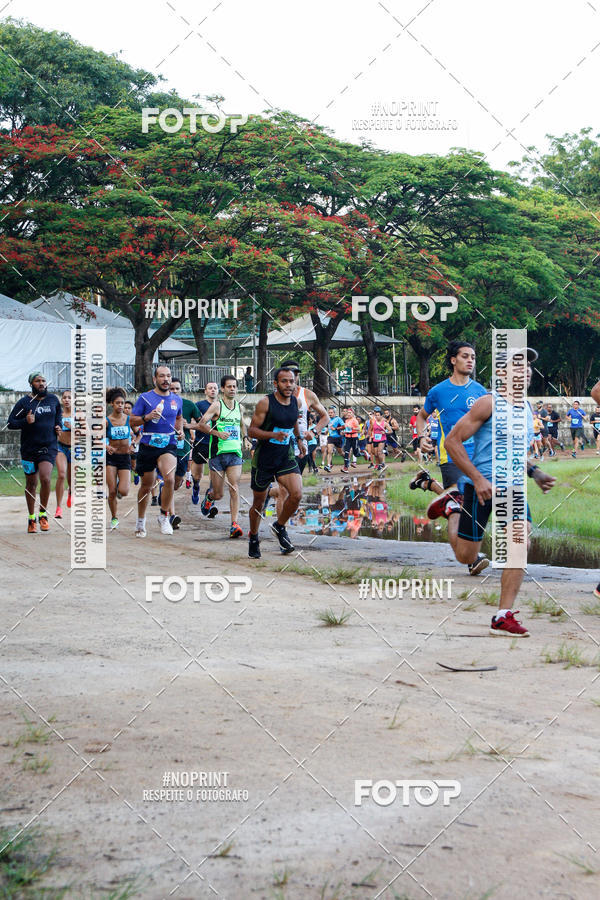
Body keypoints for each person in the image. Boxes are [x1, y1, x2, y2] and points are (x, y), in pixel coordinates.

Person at [445, 347, 556, 636]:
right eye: (518, 365)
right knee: (467, 554)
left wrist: (534, 472)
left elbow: (515, 453)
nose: (526, 370)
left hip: (512, 487)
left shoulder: (526, 408)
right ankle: (452, 510)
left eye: (528, 366)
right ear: (502, 373)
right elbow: (452, 442)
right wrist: (478, 479)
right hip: (480, 486)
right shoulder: (487, 403)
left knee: (520, 541)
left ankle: (502, 616)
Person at [412, 341, 489, 575]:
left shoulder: (481, 392)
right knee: (461, 507)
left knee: (471, 505)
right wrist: (423, 436)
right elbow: (422, 417)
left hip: (477, 458)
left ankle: (429, 485)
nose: (470, 360)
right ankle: (471, 559)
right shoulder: (438, 391)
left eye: (473, 357)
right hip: (451, 455)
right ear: (453, 360)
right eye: (465, 356)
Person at [247, 367, 306, 558]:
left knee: (296, 494)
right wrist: (273, 434)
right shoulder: (266, 403)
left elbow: (293, 422)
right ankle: (254, 537)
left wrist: (299, 439)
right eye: (284, 381)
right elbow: (252, 431)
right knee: (258, 503)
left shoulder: (295, 401)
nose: (289, 385)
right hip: (264, 458)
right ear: (276, 383)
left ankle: (279, 526)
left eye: (291, 381)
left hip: (285, 456)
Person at [129, 365, 183, 537]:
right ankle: (140, 521)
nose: (166, 379)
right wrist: (146, 417)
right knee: (146, 485)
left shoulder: (177, 400)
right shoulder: (145, 399)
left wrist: (180, 431)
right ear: (155, 379)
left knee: (169, 479)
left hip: (168, 445)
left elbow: (179, 418)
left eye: (168, 376)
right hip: (148, 446)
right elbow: (132, 421)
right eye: (162, 376)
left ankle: (164, 516)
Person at [7, 372, 62, 533]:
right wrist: (25, 421)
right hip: (29, 450)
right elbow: (11, 423)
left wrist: (58, 425)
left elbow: (57, 414)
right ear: (31, 384)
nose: (42, 383)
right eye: (38, 381)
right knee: (31, 484)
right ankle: (31, 519)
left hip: (49, 446)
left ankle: (43, 515)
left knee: (45, 478)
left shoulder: (53, 400)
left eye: (44, 381)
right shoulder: (24, 403)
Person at [197, 374, 248, 539]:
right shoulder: (216, 406)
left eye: (234, 386)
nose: (232, 389)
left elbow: (241, 425)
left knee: (234, 488)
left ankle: (234, 524)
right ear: (223, 389)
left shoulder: (239, 407)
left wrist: (245, 438)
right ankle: (209, 498)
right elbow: (201, 424)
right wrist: (217, 433)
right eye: (229, 386)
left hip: (235, 453)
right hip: (217, 454)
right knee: (219, 494)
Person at [167, 378, 197, 529]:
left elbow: (200, 422)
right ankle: (171, 515)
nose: (174, 391)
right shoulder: (162, 404)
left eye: (177, 389)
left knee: (177, 482)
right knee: (170, 481)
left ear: (181, 390)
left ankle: (164, 497)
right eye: (171, 389)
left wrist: (189, 425)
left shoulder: (189, 405)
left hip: (183, 449)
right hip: (166, 448)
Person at [105, 387, 132, 530]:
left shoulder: (129, 419)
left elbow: (138, 434)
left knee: (124, 491)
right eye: (117, 403)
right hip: (111, 458)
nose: (121, 406)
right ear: (112, 404)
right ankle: (114, 517)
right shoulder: (107, 421)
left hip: (125, 457)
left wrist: (134, 443)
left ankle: (118, 487)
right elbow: (96, 438)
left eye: (122, 403)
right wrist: (106, 446)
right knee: (111, 491)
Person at [190, 382, 218, 507]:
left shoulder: (221, 405)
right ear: (205, 391)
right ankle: (196, 487)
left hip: (216, 443)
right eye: (210, 388)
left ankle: (209, 496)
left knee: (215, 472)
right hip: (201, 442)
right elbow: (193, 421)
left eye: (215, 388)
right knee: (197, 475)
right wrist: (192, 433)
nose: (213, 390)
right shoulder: (199, 405)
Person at [55, 389, 73, 518]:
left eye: (69, 397)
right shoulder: (58, 415)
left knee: (71, 479)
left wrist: (73, 427)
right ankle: (58, 507)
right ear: (62, 400)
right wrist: (56, 430)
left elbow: (88, 433)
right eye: (65, 397)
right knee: (61, 475)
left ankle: (71, 491)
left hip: (74, 449)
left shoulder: (79, 415)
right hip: (60, 447)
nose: (67, 400)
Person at [368, 406, 390, 471]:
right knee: (375, 453)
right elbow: (370, 429)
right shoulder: (372, 421)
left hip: (382, 439)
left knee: (379, 452)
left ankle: (382, 464)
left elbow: (390, 430)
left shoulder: (384, 421)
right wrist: (370, 436)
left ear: (381, 416)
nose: (377, 416)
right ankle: (378, 465)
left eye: (378, 415)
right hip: (375, 439)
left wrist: (385, 432)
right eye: (376, 415)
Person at [324, 406, 344, 471]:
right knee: (329, 451)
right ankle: (329, 466)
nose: (330, 414)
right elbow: (329, 426)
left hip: (338, 437)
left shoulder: (338, 419)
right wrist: (327, 430)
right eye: (329, 412)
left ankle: (347, 459)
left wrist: (335, 428)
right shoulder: (328, 419)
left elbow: (343, 426)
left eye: (331, 412)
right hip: (331, 437)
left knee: (340, 452)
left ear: (334, 413)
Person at [341, 407, 360, 474]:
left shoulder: (354, 420)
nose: (348, 414)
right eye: (348, 412)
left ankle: (364, 453)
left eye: (350, 413)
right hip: (347, 438)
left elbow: (358, 429)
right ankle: (345, 467)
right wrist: (344, 432)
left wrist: (353, 428)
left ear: (353, 413)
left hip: (354, 438)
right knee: (347, 452)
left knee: (356, 453)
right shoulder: (346, 421)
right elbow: (346, 429)